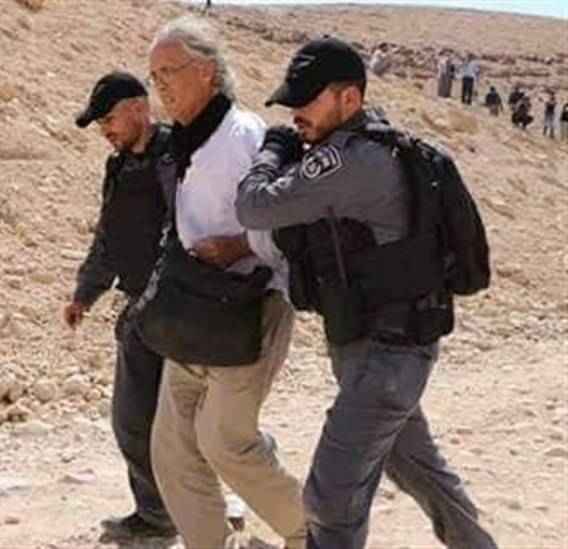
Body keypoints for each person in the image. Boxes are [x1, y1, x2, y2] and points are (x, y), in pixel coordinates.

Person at [235, 36, 497, 549]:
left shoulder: (349, 160)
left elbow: (254, 207)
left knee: (330, 500)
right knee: (423, 474)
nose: (295, 115)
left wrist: (272, 152)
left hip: (386, 358)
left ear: (349, 98)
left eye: (305, 102)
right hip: (383, 351)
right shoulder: (364, 149)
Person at [146, 16, 306, 548]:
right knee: (173, 448)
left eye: (169, 71)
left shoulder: (243, 137)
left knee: (224, 442)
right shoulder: (184, 141)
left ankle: (315, 533)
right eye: (154, 75)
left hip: (248, 308)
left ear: (206, 72)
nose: (161, 85)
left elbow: (291, 223)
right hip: (192, 307)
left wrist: (239, 246)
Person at [65, 71, 176, 542]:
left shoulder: (177, 156)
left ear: (138, 108)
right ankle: (156, 515)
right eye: (100, 124)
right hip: (141, 314)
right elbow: (108, 235)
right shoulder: (118, 167)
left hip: (188, 310)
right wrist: (85, 292)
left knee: (208, 427)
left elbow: (182, 235)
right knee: (133, 422)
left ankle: (222, 502)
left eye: (109, 119)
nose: (105, 130)